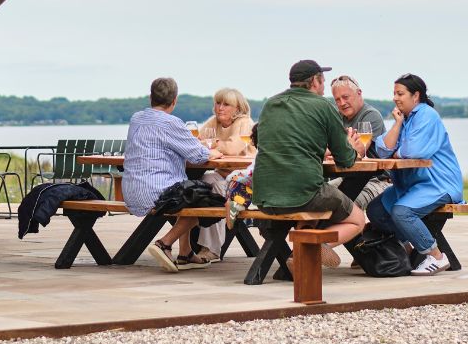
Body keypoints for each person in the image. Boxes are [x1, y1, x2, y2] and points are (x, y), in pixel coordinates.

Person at [253, 60, 366, 267]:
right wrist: (355, 149)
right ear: (315, 81)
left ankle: (300, 257)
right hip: (304, 193)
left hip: (264, 196)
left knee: (310, 215)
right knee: (357, 220)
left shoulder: (270, 104)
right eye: (322, 80)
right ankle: (311, 248)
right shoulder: (323, 106)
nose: (324, 87)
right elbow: (345, 160)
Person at [367, 73, 464, 276]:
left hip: (438, 184)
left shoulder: (426, 115)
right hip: (411, 185)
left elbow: (415, 151)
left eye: (400, 93)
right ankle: (409, 247)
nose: (395, 98)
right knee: (376, 211)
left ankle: (436, 256)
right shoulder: (406, 118)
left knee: (402, 212)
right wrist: (397, 124)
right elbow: (382, 149)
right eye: (394, 93)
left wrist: (397, 151)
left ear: (416, 96)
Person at [123, 77, 223, 272]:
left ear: (150, 97)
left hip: (131, 192)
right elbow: (197, 156)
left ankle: (185, 253)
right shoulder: (171, 123)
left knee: (188, 190)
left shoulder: (136, 118)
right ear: (174, 101)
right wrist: (213, 152)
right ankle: (165, 243)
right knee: (209, 201)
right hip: (157, 194)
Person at [192, 88, 256, 264]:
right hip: (223, 176)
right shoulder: (214, 122)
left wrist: (212, 144)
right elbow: (195, 143)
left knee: (218, 187)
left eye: (226, 104)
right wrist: (214, 144)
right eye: (218, 103)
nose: (220, 108)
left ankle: (211, 249)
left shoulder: (245, 123)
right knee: (202, 183)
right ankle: (198, 243)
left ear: (237, 108)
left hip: (245, 183)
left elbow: (233, 148)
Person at [329, 75, 391, 210]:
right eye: (337, 100)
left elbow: (359, 150)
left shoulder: (370, 115)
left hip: (376, 180)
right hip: (347, 178)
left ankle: (350, 229)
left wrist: (335, 148)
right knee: (318, 198)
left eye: (345, 97)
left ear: (359, 93)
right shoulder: (337, 117)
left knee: (346, 207)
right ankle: (315, 230)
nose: (342, 103)